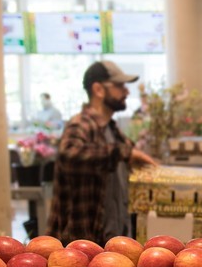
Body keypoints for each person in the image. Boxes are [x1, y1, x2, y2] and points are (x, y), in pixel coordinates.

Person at [49, 61, 157, 245]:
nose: (126, 92)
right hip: (84, 244)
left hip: (112, 239)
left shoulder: (112, 129)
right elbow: (69, 156)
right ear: (98, 89)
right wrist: (124, 153)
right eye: (119, 86)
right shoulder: (81, 124)